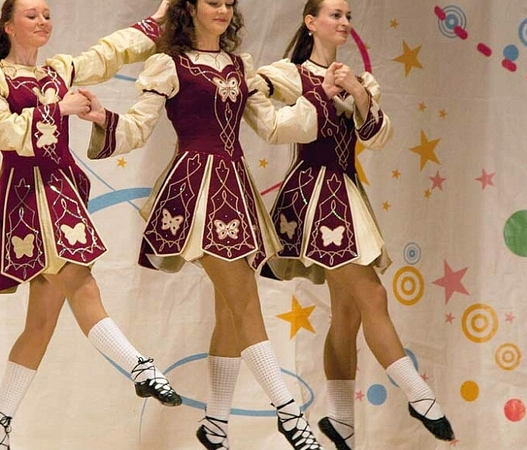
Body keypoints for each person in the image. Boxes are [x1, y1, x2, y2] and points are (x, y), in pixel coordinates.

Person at [81, 1, 343, 448]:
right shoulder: (170, 64)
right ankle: (290, 414)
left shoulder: (240, 66)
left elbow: (274, 127)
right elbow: (139, 127)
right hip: (194, 191)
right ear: (190, 8)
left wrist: (319, 96)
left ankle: (215, 427)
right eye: (213, 2)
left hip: (234, 190)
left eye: (228, 3)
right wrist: (104, 118)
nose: (223, 9)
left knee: (231, 308)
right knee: (245, 301)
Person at [0, 1, 182, 448]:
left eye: (47, 14)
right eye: (31, 15)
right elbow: (2, 132)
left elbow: (110, 52)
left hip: (61, 193)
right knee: (81, 283)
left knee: (40, 324)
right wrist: (57, 109)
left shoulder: (59, 69)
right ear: (9, 26)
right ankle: (139, 367)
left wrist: (157, 21)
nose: (43, 21)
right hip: (28, 199)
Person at [253, 1, 455, 448]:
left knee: (346, 312)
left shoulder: (360, 81)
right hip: (314, 194)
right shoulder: (291, 74)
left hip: (345, 194)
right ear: (311, 23)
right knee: (373, 295)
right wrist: (312, 95)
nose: (344, 23)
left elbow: (376, 137)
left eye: (348, 16)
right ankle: (419, 396)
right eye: (335, 15)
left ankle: (341, 421)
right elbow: (255, 102)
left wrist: (358, 95)